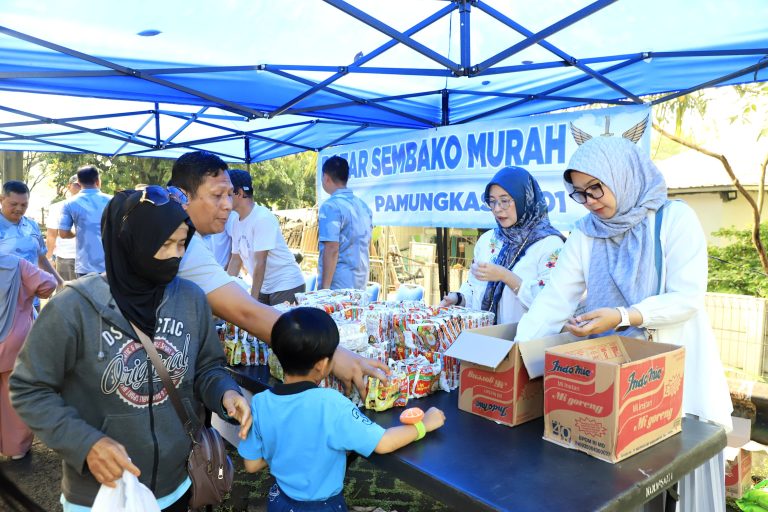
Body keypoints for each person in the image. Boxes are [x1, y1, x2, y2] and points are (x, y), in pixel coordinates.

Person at [514, 137, 732, 512]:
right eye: (579, 193)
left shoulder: (673, 219)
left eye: (596, 187)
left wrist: (622, 316)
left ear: (622, 174)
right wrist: (517, 353)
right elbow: (554, 298)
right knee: (618, 485)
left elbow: (687, 298)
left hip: (673, 373)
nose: (590, 200)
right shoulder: (586, 231)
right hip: (613, 377)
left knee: (672, 480)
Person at [10, 188, 252, 511]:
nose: (175, 256)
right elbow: (29, 389)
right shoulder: (73, 308)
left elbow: (208, 367)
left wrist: (226, 394)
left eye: (182, 243)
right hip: (102, 494)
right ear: (129, 242)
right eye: (163, 244)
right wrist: (86, 444)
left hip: (178, 486)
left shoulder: (191, 299)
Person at [170, 151, 387, 396]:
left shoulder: (187, 235)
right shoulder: (183, 244)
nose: (228, 204)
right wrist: (330, 355)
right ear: (182, 196)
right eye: (217, 196)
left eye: (229, 195)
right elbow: (247, 313)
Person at [239, 307, 445, 512]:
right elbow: (384, 443)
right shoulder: (332, 404)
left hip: (280, 503)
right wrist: (424, 424)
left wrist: (288, 446)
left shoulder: (260, 402)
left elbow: (252, 464)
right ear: (322, 365)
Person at [439, 166, 565, 324]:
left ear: (524, 199)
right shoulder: (488, 240)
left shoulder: (549, 244)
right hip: (485, 341)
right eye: (492, 202)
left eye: (505, 201)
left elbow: (553, 302)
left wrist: (506, 276)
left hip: (524, 344)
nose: (497, 209)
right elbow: (474, 286)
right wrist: (459, 298)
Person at [0, 254, 56, 460]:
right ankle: (16, 449)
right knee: (14, 394)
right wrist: (25, 293)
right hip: (15, 340)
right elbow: (47, 284)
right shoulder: (16, 263)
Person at [226, 169, 305, 305]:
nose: (224, 198)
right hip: (264, 287)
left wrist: (253, 302)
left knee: (280, 326)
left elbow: (260, 263)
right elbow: (235, 260)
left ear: (239, 193)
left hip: (286, 285)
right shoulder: (235, 222)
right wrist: (223, 292)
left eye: (227, 194)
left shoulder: (262, 217)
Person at [318, 155, 373, 290]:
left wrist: (324, 289)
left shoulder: (330, 206)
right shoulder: (364, 206)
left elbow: (331, 249)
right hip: (361, 283)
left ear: (326, 177)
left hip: (338, 286)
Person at [0, 181, 61, 286]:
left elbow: (41, 259)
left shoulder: (32, 225)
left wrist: (60, 282)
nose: (19, 208)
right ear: (1, 200)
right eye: (14, 204)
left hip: (32, 294)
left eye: (24, 205)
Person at [58, 165, 112, 277]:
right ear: (98, 180)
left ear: (78, 182)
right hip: (110, 265)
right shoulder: (112, 200)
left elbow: (63, 233)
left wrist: (75, 233)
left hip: (85, 265)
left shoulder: (69, 203)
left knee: (85, 294)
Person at [46, 174, 81, 283]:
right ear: (69, 186)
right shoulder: (57, 207)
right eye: (77, 185)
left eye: (82, 185)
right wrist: (49, 258)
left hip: (90, 258)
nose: (80, 188)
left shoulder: (95, 205)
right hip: (66, 257)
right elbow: (51, 234)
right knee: (66, 293)